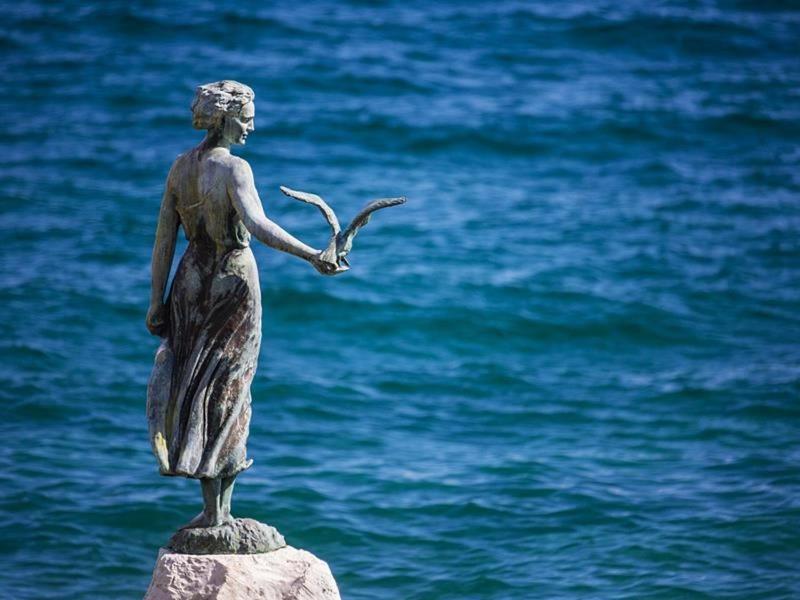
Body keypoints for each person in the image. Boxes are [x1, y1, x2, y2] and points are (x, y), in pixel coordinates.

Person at [145, 80, 339, 528]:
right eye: (246, 117)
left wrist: (157, 299)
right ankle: (221, 514)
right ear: (224, 118)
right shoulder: (235, 169)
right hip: (232, 284)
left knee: (196, 388)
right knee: (231, 390)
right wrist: (312, 254)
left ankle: (212, 510)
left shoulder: (180, 168)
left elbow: (162, 242)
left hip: (190, 284)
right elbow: (258, 223)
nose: (252, 126)